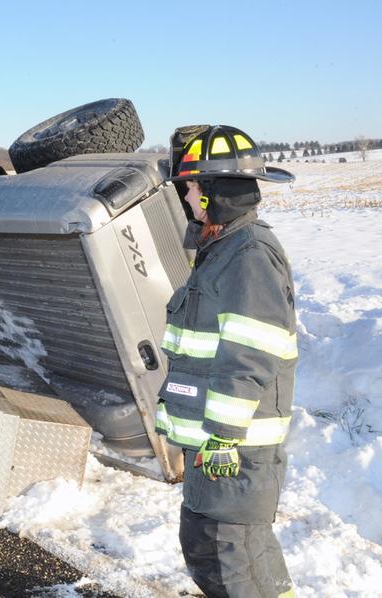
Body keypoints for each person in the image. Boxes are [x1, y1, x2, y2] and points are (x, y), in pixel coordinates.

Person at [158, 125, 297, 597]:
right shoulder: (223, 249)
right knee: (237, 557)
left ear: (215, 193)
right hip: (216, 447)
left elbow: (248, 354)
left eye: (193, 187)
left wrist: (223, 435)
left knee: (227, 563)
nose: (188, 197)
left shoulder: (249, 254)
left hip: (233, 449)